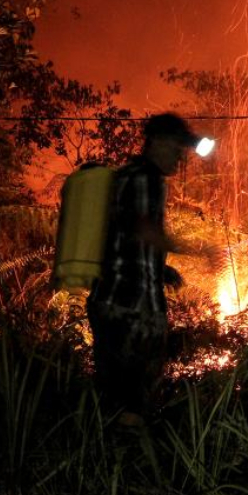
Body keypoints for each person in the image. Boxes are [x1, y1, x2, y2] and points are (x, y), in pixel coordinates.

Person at [86, 112, 209, 427]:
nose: (180, 158)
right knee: (135, 398)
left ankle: (108, 448)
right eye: (176, 149)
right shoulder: (146, 178)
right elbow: (143, 229)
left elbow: (125, 235)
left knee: (114, 395)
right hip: (131, 307)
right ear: (156, 143)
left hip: (108, 301)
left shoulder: (126, 176)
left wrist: (163, 270)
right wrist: (196, 249)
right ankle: (130, 450)